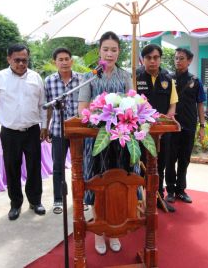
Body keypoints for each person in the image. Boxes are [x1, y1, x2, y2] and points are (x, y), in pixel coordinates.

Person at [78, 31, 134, 255]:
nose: (109, 53)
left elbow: (132, 104)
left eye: (114, 49)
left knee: (118, 184)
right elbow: (82, 107)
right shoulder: (90, 76)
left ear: (119, 52)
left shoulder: (125, 76)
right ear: (99, 51)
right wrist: (95, 116)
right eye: (105, 49)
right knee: (97, 184)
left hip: (120, 139)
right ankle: (99, 233)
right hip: (96, 140)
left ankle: (114, 232)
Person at [0, 43, 47, 221]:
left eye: (24, 60)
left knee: (34, 167)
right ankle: (15, 204)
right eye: (17, 60)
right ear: (9, 59)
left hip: (32, 131)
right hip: (9, 132)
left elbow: (43, 105)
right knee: (12, 168)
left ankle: (35, 201)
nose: (21, 63)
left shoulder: (36, 78)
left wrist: (44, 125)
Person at [136, 43, 178, 213]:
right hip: (140, 132)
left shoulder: (168, 79)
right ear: (143, 60)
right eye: (148, 58)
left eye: (156, 58)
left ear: (160, 59)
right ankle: (139, 201)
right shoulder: (135, 78)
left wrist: (161, 127)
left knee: (160, 165)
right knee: (139, 165)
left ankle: (158, 198)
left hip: (161, 133)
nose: (152, 61)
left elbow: (172, 105)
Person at [166, 48, 206, 205]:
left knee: (184, 160)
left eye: (181, 58)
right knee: (170, 159)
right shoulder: (168, 79)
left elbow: (200, 105)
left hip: (189, 126)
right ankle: (169, 190)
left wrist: (202, 126)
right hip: (171, 126)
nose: (178, 61)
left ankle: (181, 190)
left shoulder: (195, 81)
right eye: (176, 58)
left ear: (189, 61)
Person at [44, 47, 81, 215]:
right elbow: (48, 108)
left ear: (71, 61)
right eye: (61, 59)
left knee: (79, 166)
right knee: (58, 166)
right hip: (58, 131)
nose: (64, 62)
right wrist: (46, 127)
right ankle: (58, 199)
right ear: (55, 62)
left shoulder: (82, 79)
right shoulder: (49, 81)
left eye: (67, 59)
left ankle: (81, 198)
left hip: (78, 131)